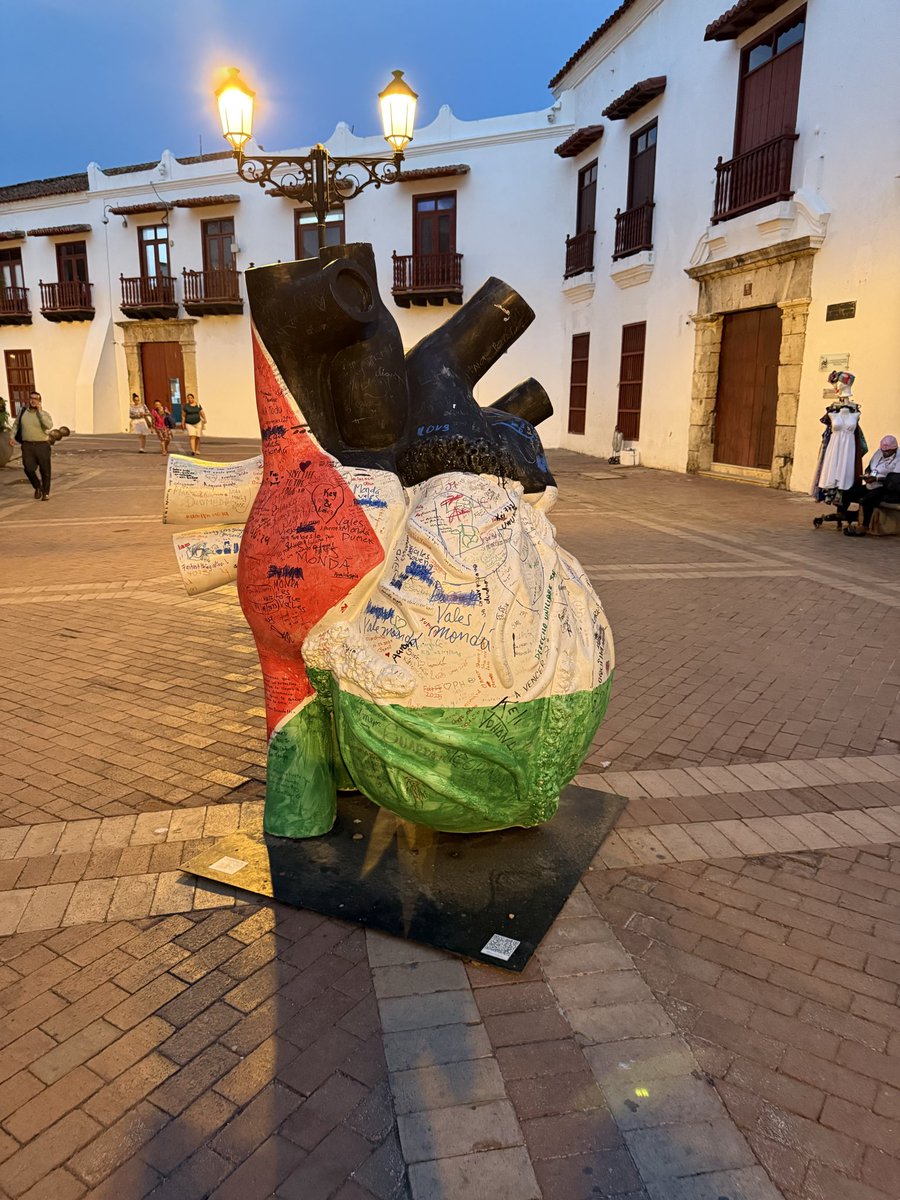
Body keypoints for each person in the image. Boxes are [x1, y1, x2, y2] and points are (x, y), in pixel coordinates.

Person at [843, 435, 899, 537]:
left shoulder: (898, 459)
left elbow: (894, 480)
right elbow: (869, 467)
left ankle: (864, 526)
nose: (885, 453)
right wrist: (867, 474)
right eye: (883, 450)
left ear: (895, 449)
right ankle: (844, 514)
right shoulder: (879, 453)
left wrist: (877, 478)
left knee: (867, 500)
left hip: (886, 488)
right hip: (872, 484)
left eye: (888, 451)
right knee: (849, 492)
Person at [8, 391, 53, 500]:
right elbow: (16, 425)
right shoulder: (23, 412)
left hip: (42, 445)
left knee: (45, 470)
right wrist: (12, 436)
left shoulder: (44, 414)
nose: (33, 401)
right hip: (27, 445)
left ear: (39, 401)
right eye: (31, 398)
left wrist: (40, 412)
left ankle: (45, 493)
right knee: (28, 469)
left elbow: (49, 425)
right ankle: (37, 486)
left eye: (36, 399)